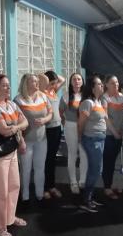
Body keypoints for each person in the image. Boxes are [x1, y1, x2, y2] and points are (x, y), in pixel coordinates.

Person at [0, 74, 28, 236]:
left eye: (9, 85)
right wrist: (17, 127)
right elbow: (3, 129)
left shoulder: (11, 105)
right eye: (4, 85)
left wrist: (14, 127)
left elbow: (26, 122)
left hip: (12, 151)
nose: (8, 88)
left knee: (14, 186)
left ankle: (9, 218)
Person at [78, 75, 120, 213]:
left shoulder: (99, 102)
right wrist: (80, 139)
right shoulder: (88, 103)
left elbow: (106, 120)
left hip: (101, 139)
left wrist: (115, 133)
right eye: (99, 84)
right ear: (92, 87)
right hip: (91, 140)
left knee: (97, 170)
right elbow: (81, 123)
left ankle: (89, 197)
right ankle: (86, 200)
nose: (102, 86)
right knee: (95, 170)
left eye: (102, 84)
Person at [14, 74, 52, 202]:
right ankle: (25, 196)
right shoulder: (18, 100)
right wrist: (21, 141)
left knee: (40, 168)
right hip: (26, 141)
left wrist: (44, 120)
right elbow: (16, 123)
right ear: (26, 84)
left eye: (37, 81)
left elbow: (50, 113)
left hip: (42, 139)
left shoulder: (43, 96)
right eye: (34, 81)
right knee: (26, 169)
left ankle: (39, 194)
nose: (37, 83)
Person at [59, 72, 87, 194]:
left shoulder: (86, 96)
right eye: (74, 79)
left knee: (84, 154)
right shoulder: (66, 96)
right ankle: (73, 182)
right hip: (70, 127)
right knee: (72, 154)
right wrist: (65, 122)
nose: (76, 81)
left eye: (79, 79)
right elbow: (61, 111)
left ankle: (82, 180)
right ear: (71, 82)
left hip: (85, 127)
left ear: (82, 82)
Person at [101, 75, 123, 200]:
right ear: (106, 84)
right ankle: (107, 188)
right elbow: (105, 118)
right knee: (108, 162)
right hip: (109, 135)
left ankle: (109, 184)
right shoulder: (104, 98)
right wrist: (115, 133)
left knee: (112, 161)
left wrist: (121, 132)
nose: (115, 85)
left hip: (119, 135)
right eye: (112, 83)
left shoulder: (122, 97)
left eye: (116, 82)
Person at [43, 70, 66, 199]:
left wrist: (53, 77)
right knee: (47, 160)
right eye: (51, 83)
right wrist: (45, 78)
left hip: (57, 128)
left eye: (54, 83)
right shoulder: (43, 93)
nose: (54, 85)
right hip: (48, 129)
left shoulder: (53, 92)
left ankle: (51, 186)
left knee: (52, 159)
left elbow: (62, 79)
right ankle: (45, 188)